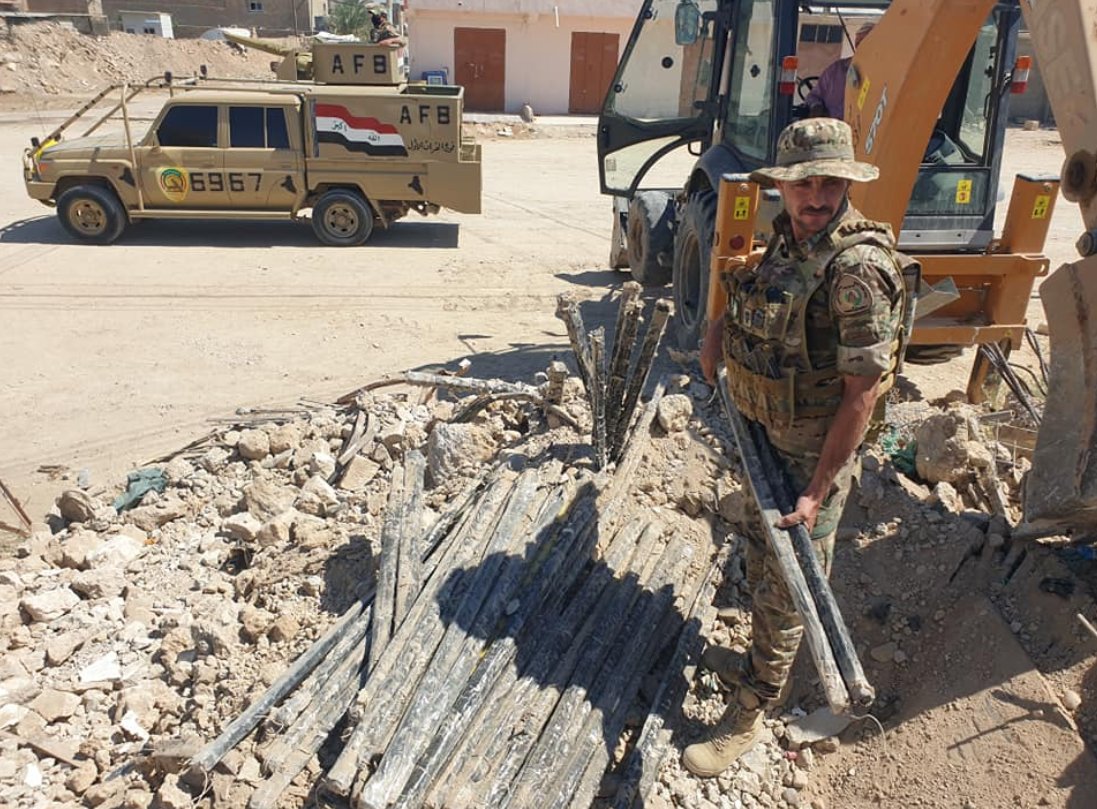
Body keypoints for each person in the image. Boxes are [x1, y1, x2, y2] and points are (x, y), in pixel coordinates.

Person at [683, 118, 912, 778]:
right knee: (761, 565)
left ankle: (751, 707)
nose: (815, 195)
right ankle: (759, 661)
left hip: (808, 461)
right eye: (803, 182)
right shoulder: (787, 240)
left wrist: (816, 489)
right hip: (761, 443)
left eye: (829, 182)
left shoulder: (856, 271)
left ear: (846, 182)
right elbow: (754, 288)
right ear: (782, 185)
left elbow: (860, 395)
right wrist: (716, 332)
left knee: (789, 588)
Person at [803, 21, 875, 119]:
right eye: (858, 43)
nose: (860, 47)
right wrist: (816, 106)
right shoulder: (836, 70)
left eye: (866, 43)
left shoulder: (883, 75)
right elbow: (813, 96)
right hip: (834, 130)